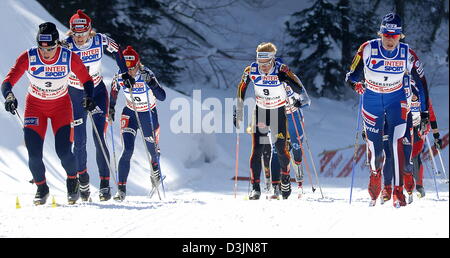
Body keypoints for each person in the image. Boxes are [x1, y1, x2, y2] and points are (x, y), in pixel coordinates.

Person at [1, 22, 96, 205]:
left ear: (57, 45)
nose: (46, 53)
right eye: (42, 49)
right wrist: (9, 96)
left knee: (64, 153)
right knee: (34, 154)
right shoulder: (29, 57)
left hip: (61, 108)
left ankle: (72, 181)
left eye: (51, 49)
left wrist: (89, 97)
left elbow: (87, 79)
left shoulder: (68, 57)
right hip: (35, 107)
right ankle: (42, 188)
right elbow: (8, 81)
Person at [345, 13, 430, 207]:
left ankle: (397, 191)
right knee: (375, 148)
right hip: (372, 99)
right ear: (380, 33)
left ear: (400, 36)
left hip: (396, 98)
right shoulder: (367, 49)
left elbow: (422, 83)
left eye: (394, 36)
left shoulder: (408, 54)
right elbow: (351, 75)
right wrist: (355, 85)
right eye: (386, 35)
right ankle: (375, 175)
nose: (390, 40)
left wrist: (424, 113)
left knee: (397, 144)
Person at [61, 10, 128, 201]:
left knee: (99, 138)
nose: (79, 38)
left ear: (89, 30)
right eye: (76, 34)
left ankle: (105, 184)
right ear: (71, 31)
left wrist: (123, 72)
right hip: (76, 94)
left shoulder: (100, 40)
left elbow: (118, 50)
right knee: (79, 141)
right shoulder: (67, 45)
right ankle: (83, 182)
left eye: (82, 34)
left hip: (97, 92)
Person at [234, 42, 305, 200]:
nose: (263, 67)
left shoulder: (282, 69)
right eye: (260, 63)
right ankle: (255, 188)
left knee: (280, 148)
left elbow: (299, 88)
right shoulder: (251, 70)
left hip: (278, 111)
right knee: (257, 150)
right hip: (261, 111)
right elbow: (241, 88)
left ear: (273, 60)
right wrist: (237, 111)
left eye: (266, 64)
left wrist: (286, 79)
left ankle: (285, 178)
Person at [109, 46, 166, 201]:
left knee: (152, 151)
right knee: (127, 150)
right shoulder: (120, 76)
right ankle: (121, 190)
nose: (130, 72)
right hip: (130, 114)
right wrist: (111, 108)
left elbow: (162, 97)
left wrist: (152, 84)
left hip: (148, 114)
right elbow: (114, 91)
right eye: (127, 69)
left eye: (133, 68)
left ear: (138, 64)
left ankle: (155, 169)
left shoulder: (146, 74)